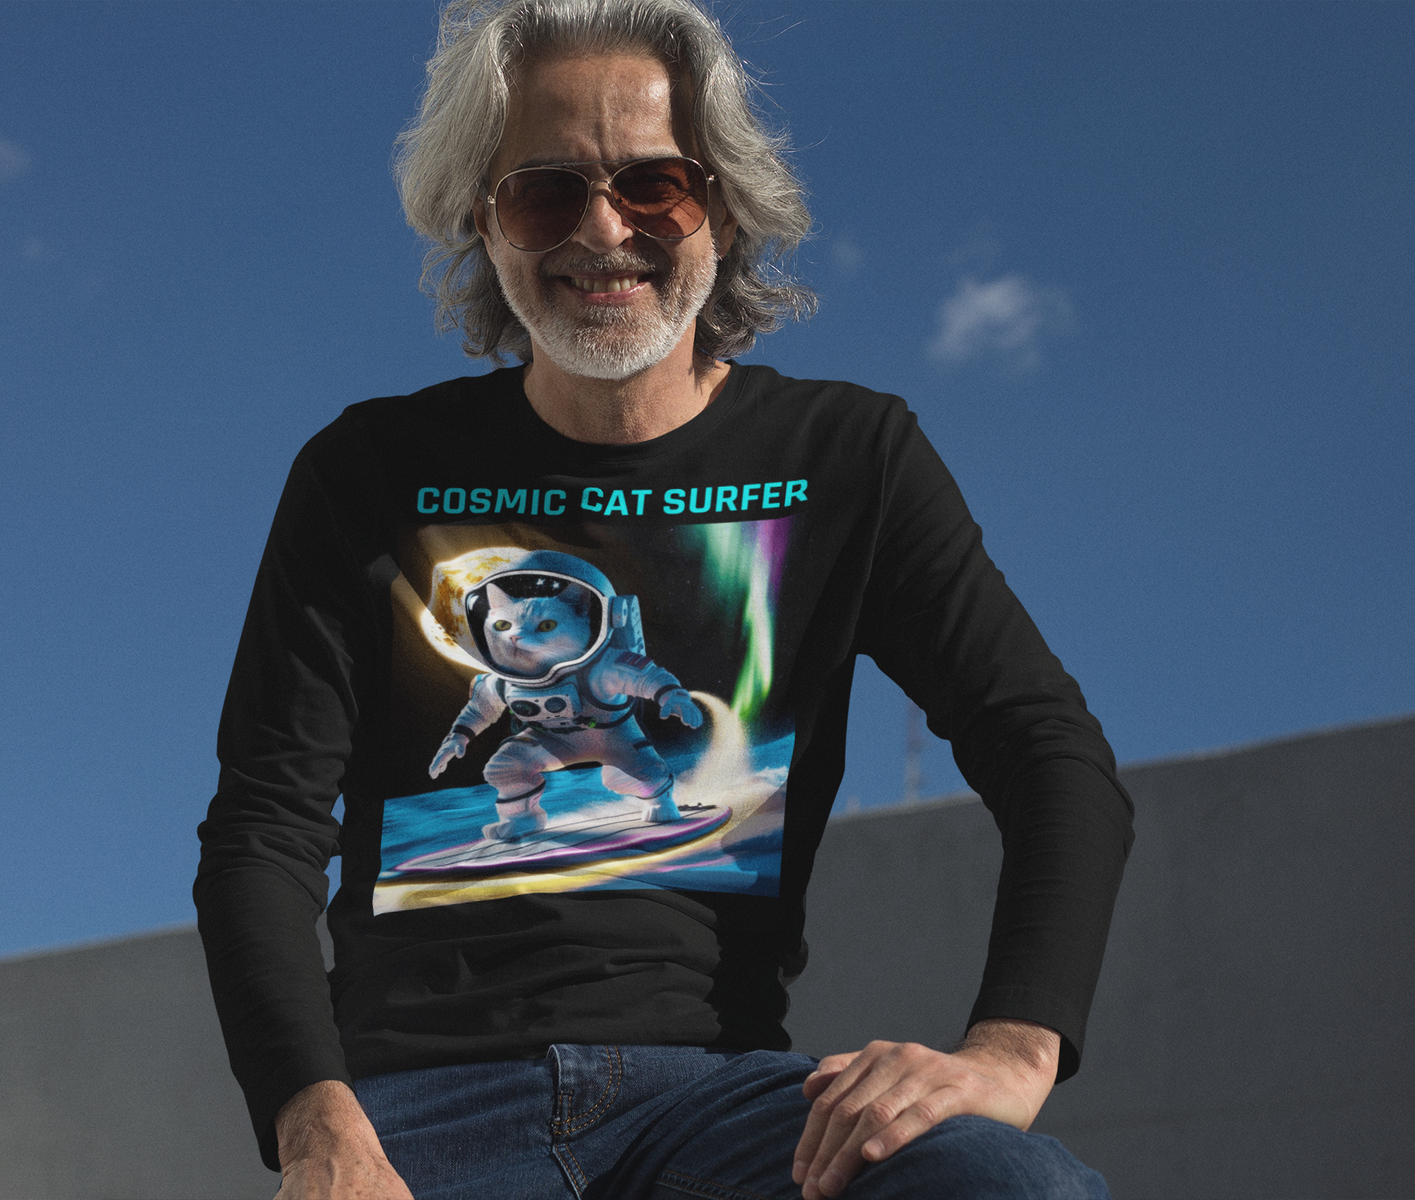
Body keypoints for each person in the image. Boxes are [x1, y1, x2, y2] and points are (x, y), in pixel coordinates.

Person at [194, 1, 1134, 1197]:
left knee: (1014, 1188)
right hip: (416, 1114)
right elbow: (263, 831)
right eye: (544, 193)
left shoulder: (849, 458)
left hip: (722, 1105)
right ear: (482, 221)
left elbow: (1049, 752)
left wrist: (1012, 1051)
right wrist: (314, 1129)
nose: (604, 230)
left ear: (723, 209)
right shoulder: (367, 476)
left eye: (655, 184)